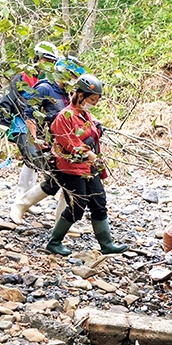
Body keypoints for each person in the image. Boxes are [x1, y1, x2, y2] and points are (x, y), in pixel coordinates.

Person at [43, 75, 128, 256]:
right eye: (91, 100)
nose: (94, 104)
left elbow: (92, 135)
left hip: (89, 166)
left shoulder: (84, 114)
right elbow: (69, 142)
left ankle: (106, 243)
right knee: (78, 204)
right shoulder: (64, 116)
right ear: (80, 95)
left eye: (96, 101)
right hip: (70, 167)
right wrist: (88, 153)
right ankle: (54, 242)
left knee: (99, 201)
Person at [9, 54, 90, 225]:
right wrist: (35, 138)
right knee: (57, 181)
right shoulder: (45, 88)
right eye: (72, 76)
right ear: (62, 73)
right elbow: (29, 112)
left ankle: (61, 222)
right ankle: (19, 206)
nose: (73, 80)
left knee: (66, 181)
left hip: (62, 143)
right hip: (45, 141)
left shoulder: (69, 95)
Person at [0, 43, 69, 224]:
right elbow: (7, 99)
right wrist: (4, 121)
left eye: (51, 61)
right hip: (20, 122)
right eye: (46, 59)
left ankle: (26, 199)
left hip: (38, 126)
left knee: (35, 161)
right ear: (37, 58)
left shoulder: (49, 81)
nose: (48, 63)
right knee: (32, 158)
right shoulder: (22, 77)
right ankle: (20, 199)